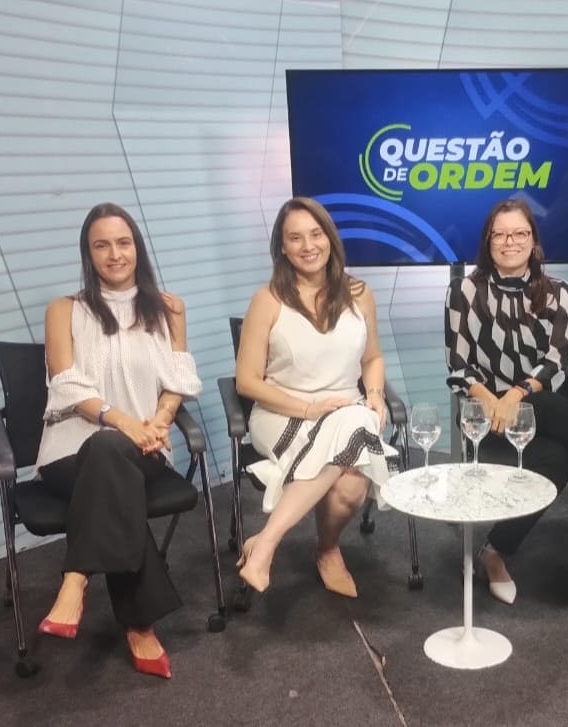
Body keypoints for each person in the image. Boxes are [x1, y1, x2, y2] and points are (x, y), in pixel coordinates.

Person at [33, 202, 203, 679]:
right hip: (69, 453)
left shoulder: (168, 308)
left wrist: (160, 419)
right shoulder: (65, 309)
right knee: (108, 451)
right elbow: (64, 381)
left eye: (123, 242)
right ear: (88, 254)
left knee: (113, 456)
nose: (114, 254)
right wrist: (122, 421)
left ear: (137, 247)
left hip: (144, 448)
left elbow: (178, 378)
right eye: (101, 245)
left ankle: (75, 579)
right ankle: (140, 625)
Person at [445, 198, 568, 605]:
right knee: (563, 436)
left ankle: (493, 553)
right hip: (484, 415)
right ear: (488, 241)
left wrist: (517, 396)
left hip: (542, 411)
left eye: (520, 233)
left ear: (534, 241)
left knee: (555, 442)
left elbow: (557, 364)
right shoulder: (464, 292)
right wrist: (495, 401)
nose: (510, 242)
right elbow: (458, 366)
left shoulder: (560, 294)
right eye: (500, 234)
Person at [234, 197, 389, 599]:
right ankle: (284, 546)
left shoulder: (360, 293)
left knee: (352, 473)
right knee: (355, 429)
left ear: (330, 239)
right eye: (295, 238)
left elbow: (372, 358)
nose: (308, 246)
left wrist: (374, 395)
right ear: (282, 247)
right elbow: (247, 382)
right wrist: (308, 408)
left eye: (316, 234)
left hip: (344, 410)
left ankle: (301, 544)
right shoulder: (267, 300)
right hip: (283, 413)